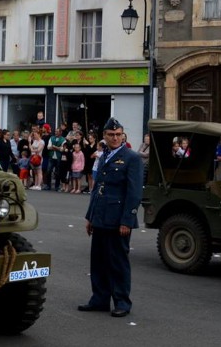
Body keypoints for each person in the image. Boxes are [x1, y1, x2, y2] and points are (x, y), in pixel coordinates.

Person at [78, 117, 143, 318]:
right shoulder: (104, 156)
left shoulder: (131, 158)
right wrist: (90, 217)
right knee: (98, 261)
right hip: (100, 217)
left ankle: (122, 301)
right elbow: (97, 188)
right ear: (104, 136)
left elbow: (134, 193)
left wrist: (127, 220)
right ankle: (99, 299)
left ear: (123, 135)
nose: (115, 138)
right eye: (111, 135)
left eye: (118, 134)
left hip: (117, 220)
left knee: (117, 262)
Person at [47, 126, 66, 191]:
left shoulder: (63, 139)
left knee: (58, 172)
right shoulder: (51, 138)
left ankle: (57, 186)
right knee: (48, 171)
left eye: (57, 132)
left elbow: (62, 149)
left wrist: (55, 147)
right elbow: (48, 147)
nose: (56, 133)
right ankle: (48, 185)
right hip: (51, 157)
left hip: (59, 157)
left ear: (61, 132)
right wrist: (57, 148)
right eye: (55, 131)